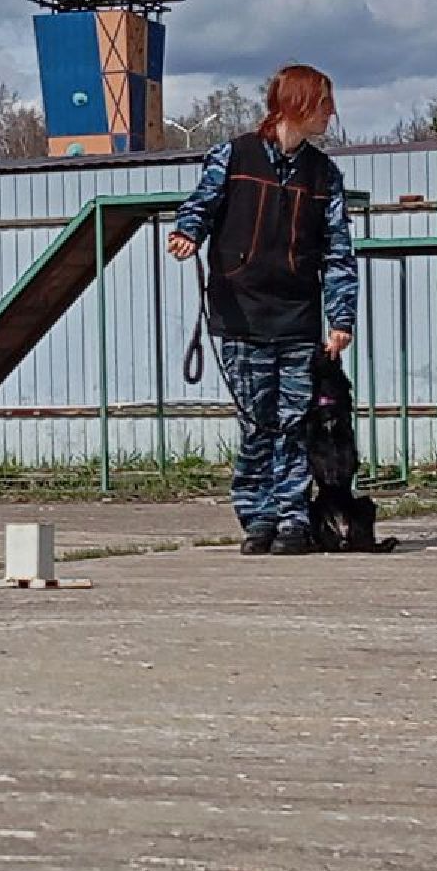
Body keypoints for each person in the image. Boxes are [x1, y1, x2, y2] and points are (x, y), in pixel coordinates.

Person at [167, 64, 358, 555]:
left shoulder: (323, 175)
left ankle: (293, 521)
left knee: (295, 422)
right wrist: (189, 232)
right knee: (258, 422)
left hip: (297, 318)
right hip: (239, 314)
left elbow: (338, 249)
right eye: (324, 104)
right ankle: (258, 518)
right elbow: (201, 204)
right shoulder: (234, 156)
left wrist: (341, 319)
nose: (330, 114)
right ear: (297, 104)